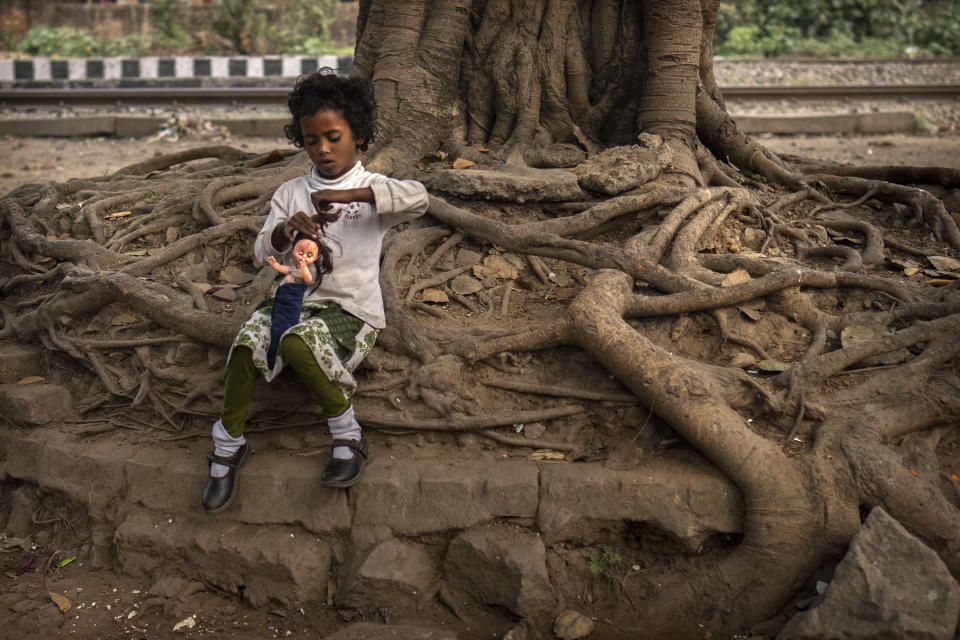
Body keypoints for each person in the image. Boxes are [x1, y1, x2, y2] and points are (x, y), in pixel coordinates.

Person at [202, 69, 429, 514]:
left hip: (351, 311)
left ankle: (348, 436)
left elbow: (419, 199)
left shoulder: (376, 189)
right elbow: (259, 250)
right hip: (294, 300)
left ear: (357, 134)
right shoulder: (292, 192)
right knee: (249, 343)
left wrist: (352, 197)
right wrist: (286, 229)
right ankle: (227, 445)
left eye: (333, 136)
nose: (323, 149)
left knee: (297, 342)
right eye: (311, 140)